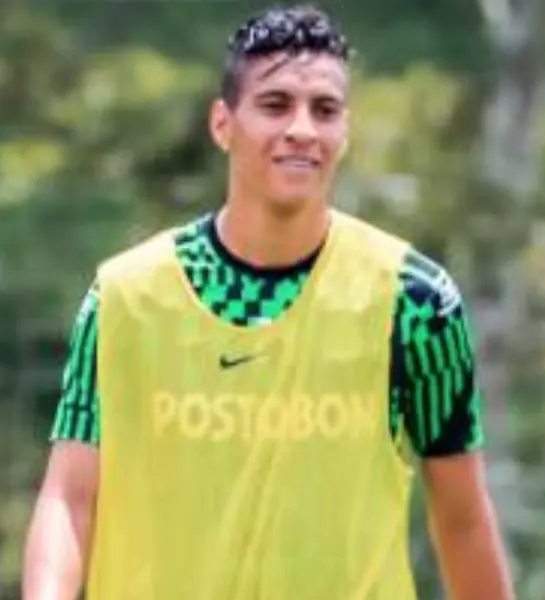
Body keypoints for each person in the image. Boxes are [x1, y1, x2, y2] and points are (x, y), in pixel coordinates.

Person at [21, 5, 514, 600]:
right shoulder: (124, 298)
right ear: (223, 124)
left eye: (324, 110)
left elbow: (461, 519)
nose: (302, 128)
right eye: (276, 104)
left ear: (345, 132)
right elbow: (70, 501)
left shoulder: (415, 302)